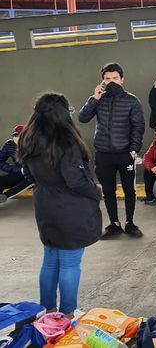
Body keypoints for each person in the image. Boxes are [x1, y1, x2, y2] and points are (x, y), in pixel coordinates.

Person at [17, 93, 102, 318]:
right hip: (70, 209)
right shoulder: (66, 140)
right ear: (62, 113)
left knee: (50, 260)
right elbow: (75, 180)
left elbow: (27, 173)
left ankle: (48, 310)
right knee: (70, 264)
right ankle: (68, 313)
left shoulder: (28, 137)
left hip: (45, 206)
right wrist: (96, 192)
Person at [78, 62, 145, 239]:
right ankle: (114, 224)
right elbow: (82, 118)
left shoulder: (132, 100)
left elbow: (138, 127)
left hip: (125, 153)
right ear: (102, 81)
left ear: (122, 79)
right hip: (103, 154)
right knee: (108, 191)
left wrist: (133, 150)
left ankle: (130, 223)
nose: (111, 81)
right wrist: (94, 99)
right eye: (107, 79)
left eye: (115, 78)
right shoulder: (98, 99)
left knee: (129, 190)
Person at [0, 124, 34, 203]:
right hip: (18, 173)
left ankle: (5, 196)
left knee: (33, 178)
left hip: (33, 175)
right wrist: (13, 169)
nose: (18, 138)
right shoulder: (9, 145)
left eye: (22, 135)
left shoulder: (34, 145)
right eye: (15, 135)